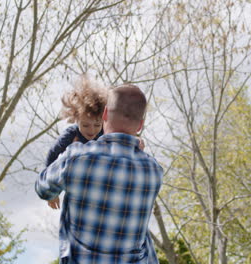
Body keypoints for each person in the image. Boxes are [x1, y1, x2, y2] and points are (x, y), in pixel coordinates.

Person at [36, 84, 163, 263]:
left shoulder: (76, 157)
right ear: (140, 125)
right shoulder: (154, 171)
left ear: (104, 116)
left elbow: (43, 188)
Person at [45, 75, 107, 210]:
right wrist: (52, 191)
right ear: (76, 119)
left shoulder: (106, 133)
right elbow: (52, 157)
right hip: (78, 186)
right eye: (85, 125)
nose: (91, 131)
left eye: (97, 125)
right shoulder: (70, 135)